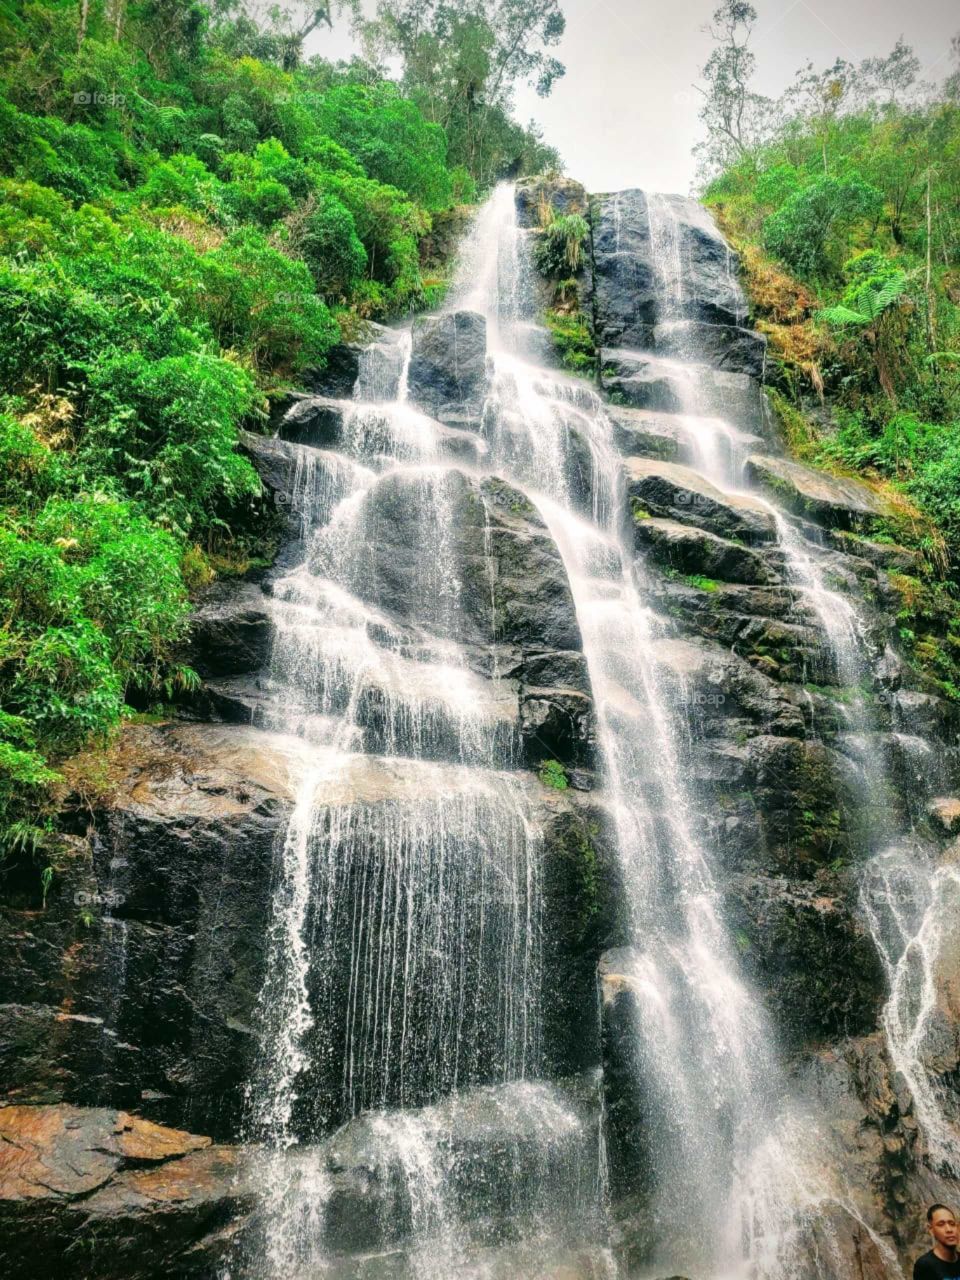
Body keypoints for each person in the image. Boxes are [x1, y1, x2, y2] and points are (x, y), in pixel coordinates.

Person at [915, 1204, 960, 1278]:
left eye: (952, 1224)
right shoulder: (925, 1266)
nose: (949, 1230)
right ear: (931, 1230)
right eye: (941, 1224)